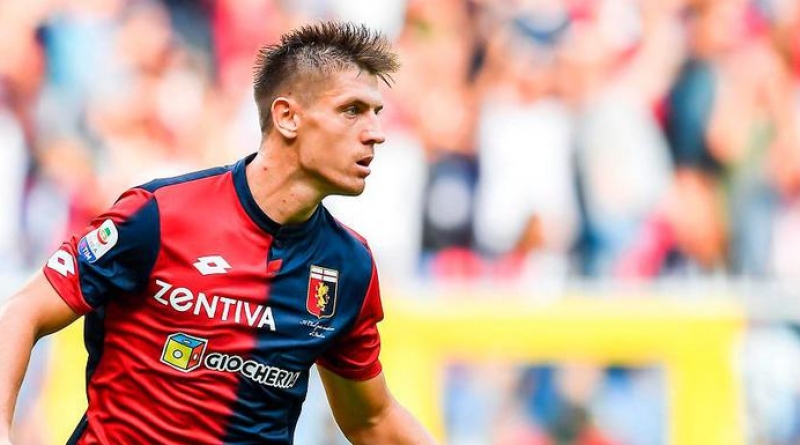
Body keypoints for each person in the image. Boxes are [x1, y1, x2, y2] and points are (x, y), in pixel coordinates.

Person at [0, 21, 437, 445]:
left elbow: (372, 419)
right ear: (287, 117)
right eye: (352, 111)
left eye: (376, 114)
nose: (376, 133)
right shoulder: (159, 214)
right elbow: (24, 312)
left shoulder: (347, 265)